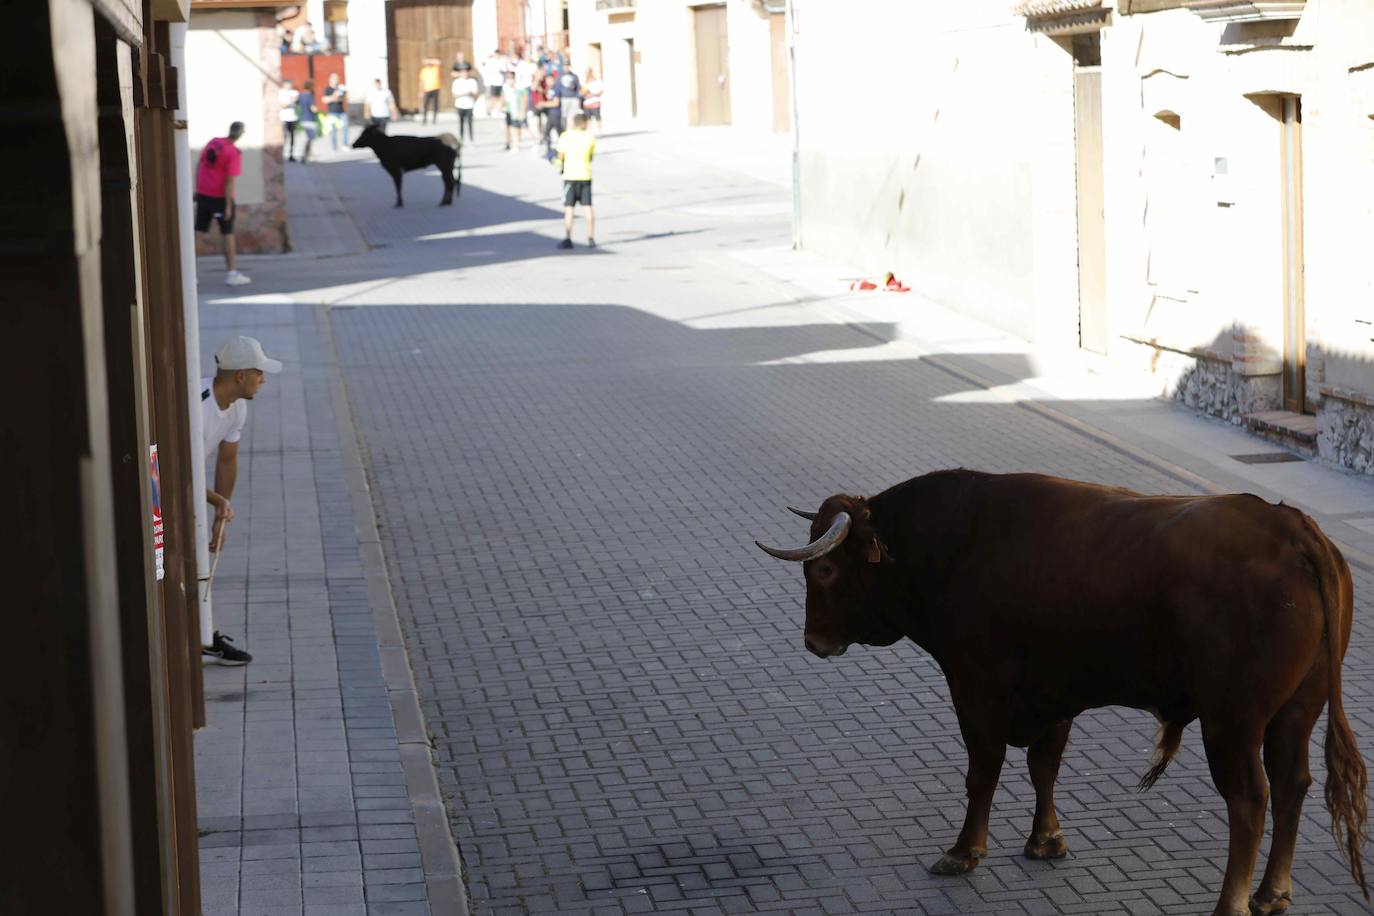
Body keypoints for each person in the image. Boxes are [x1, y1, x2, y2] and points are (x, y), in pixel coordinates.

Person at [200, 335, 284, 666]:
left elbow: (226, 460)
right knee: (167, 565)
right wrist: (216, 502)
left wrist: (222, 512)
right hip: (156, 486)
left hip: (183, 485)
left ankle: (205, 635)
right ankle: (194, 635)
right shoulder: (196, 403)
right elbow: (171, 466)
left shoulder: (237, 407)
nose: (263, 380)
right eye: (259, 373)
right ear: (239, 376)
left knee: (194, 562)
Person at [194, 121, 251, 286]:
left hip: (203, 194)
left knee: (199, 233)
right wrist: (227, 206)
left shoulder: (213, 142)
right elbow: (229, 182)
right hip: (220, 198)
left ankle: (191, 273)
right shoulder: (233, 152)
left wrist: (197, 189)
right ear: (241, 134)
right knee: (228, 235)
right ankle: (232, 274)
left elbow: (199, 165)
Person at [554, 112, 596, 249]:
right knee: (588, 207)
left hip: (570, 177)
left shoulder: (566, 136)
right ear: (584, 123)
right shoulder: (590, 138)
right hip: (585, 175)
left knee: (569, 209)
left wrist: (557, 164)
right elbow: (590, 157)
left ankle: (568, 237)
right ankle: (590, 237)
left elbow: (560, 157)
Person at [321, 72, 349, 152]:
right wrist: (334, 96)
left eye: (337, 78)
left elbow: (345, 98)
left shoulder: (341, 88)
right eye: (334, 78)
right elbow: (325, 100)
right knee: (333, 130)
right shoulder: (328, 89)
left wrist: (341, 96)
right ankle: (334, 147)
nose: (336, 80)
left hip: (341, 111)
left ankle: (345, 145)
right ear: (330, 79)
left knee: (345, 128)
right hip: (332, 112)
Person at [539, 71, 563, 162]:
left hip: (556, 113)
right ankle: (549, 152)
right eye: (547, 80)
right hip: (551, 113)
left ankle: (562, 152)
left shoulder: (556, 89)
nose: (548, 81)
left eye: (550, 79)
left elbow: (556, 103)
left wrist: (543, 104)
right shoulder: (550, 89)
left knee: (560, 134)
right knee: (547, 133)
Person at [501, 69, 526, 152]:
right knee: (507, 127)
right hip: (508, 110)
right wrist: (501, 107)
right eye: (508, 78)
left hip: (516, 110)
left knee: (519, 127)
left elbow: (523, 98)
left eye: (511, 78)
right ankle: (507, 143)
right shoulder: (505, 87)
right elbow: (503, 98)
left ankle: (518, 143)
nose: (509, 79)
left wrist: (522, 110)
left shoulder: (518, 87)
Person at [452, 67, 478, 142]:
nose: (465, 74)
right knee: (461, 123)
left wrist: (464, 93)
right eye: (463, 72)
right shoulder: (456, 82)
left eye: (466, 72)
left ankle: (471, 139)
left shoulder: (472, 81)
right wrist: (465, 93)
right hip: (460, 105)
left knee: (470, 123)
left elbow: (475, 92)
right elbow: (454, 95)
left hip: (469, 105)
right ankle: (461, 139)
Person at [296, 79, 319, 162]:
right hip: (310, 119)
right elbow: (313, 108)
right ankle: (305, 156)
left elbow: (297, 105)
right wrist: (318, 111)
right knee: (310, 138)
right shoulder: (310, 96)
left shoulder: (301, 96)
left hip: (303, 118)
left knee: (308, 138)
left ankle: (307, 155)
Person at [278, 78, 300, 161]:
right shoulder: (280, 92)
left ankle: (291, 154)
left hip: (293, 117)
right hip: (284, 118)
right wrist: (291, 101)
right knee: (284, 137)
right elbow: (282, 105)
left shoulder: (294, 92)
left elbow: (297, 102)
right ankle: (282, 154)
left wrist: (293, 101)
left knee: (292, 137)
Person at [480, 51, 506, 118]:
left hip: (500, 82)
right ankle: (488, 111)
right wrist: (488, 57)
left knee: (500, 98)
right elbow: (482, 63)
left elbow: (505, 69)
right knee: (491, 98)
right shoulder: (490, 61)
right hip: (492, 82)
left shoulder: (502, 61)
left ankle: (498, 111)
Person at [418, 57, 442, 124]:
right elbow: (421, 82)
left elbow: (438, 62)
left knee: (435, 105)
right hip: (426, 89)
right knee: (425, 105)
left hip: (435, 88)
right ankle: (424, 119)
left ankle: (434, 119)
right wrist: (420, 91)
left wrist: (429, 60)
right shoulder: (424, 70)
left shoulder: (435, 68)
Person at [581, 68, 604, 135]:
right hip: (587, 103)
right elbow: (582, 92)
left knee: (598, 118)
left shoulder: (597, 82)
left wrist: (592, 95)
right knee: (588, 119)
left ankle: (599, 132)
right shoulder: (585, 82)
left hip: (595, 102)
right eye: (586, 73)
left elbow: (601, 92)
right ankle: (589, 132)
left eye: (588, 72)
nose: (587, 74)